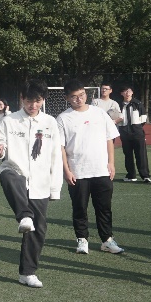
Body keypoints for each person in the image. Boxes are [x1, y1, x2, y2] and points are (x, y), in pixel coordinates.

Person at [0, 81, 63, 288]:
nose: (33, 105)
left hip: (40, 181)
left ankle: (27, 273)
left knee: (38, 229)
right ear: (22, 99)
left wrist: (54, 189)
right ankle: (23, 215)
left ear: (43, 100)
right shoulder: (9, 120)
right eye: (29, 100)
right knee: (8, 175)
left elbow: (55, 156)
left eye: (37, 101)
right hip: (15, 171)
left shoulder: (50, 122)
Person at [57, 80, 123, 255]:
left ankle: (107, 240)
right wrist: (66, 170)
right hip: (78, 171)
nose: (79, 99)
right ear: (67, 98)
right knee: (80, 208)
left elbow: (109, 139)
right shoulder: (63, 118)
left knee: (104, 208)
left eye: (82, 95)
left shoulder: (99, 113)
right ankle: (82, 239)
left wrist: (111, 163)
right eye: (74, 97)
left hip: (101, 169)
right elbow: (60, 147)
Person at [116, 85, 151, 182]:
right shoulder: (119, 105)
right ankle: (131, 175)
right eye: (125, 91)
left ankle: (145, 176)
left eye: (129, 91)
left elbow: (143, 118)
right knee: (128, 155)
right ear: (121, 93)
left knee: (141, 154)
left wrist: (137, 128)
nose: (127, 93)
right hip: (124, 133)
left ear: (132, 92)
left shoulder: (138, 103)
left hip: (137, 133)